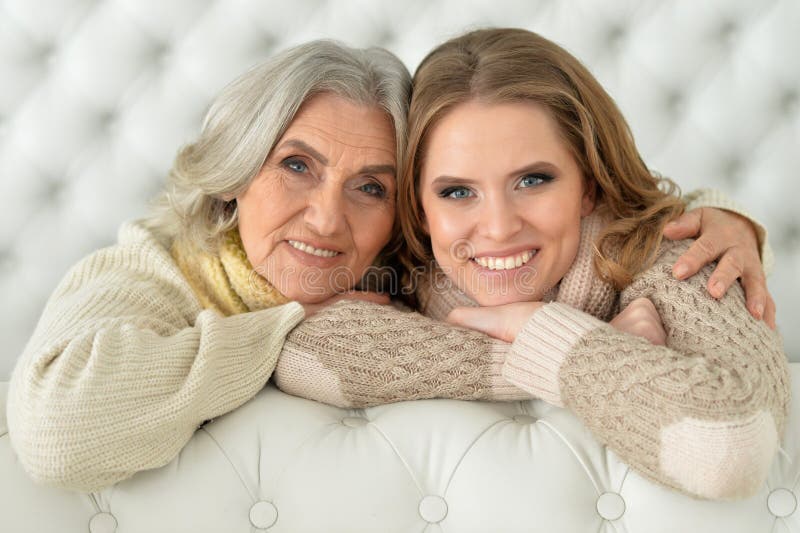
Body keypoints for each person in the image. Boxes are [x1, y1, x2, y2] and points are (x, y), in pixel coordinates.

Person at [6, 36, 771, 493]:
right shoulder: (157, 268)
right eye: (296, 167)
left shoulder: (403, 272)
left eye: (369, 187)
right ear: (235, 176)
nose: (329, 219)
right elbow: (58, 433)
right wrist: (280, 329)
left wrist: (724, 223)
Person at [274, 29, 788, 500]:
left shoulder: (677, 257)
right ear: (421, 209)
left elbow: (730, 446)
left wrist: (540, 331)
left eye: (533, 180)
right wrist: (578, 340)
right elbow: (303, 353)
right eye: (456, 191)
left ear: (588, 184)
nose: (498, 227)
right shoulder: (409, 272)